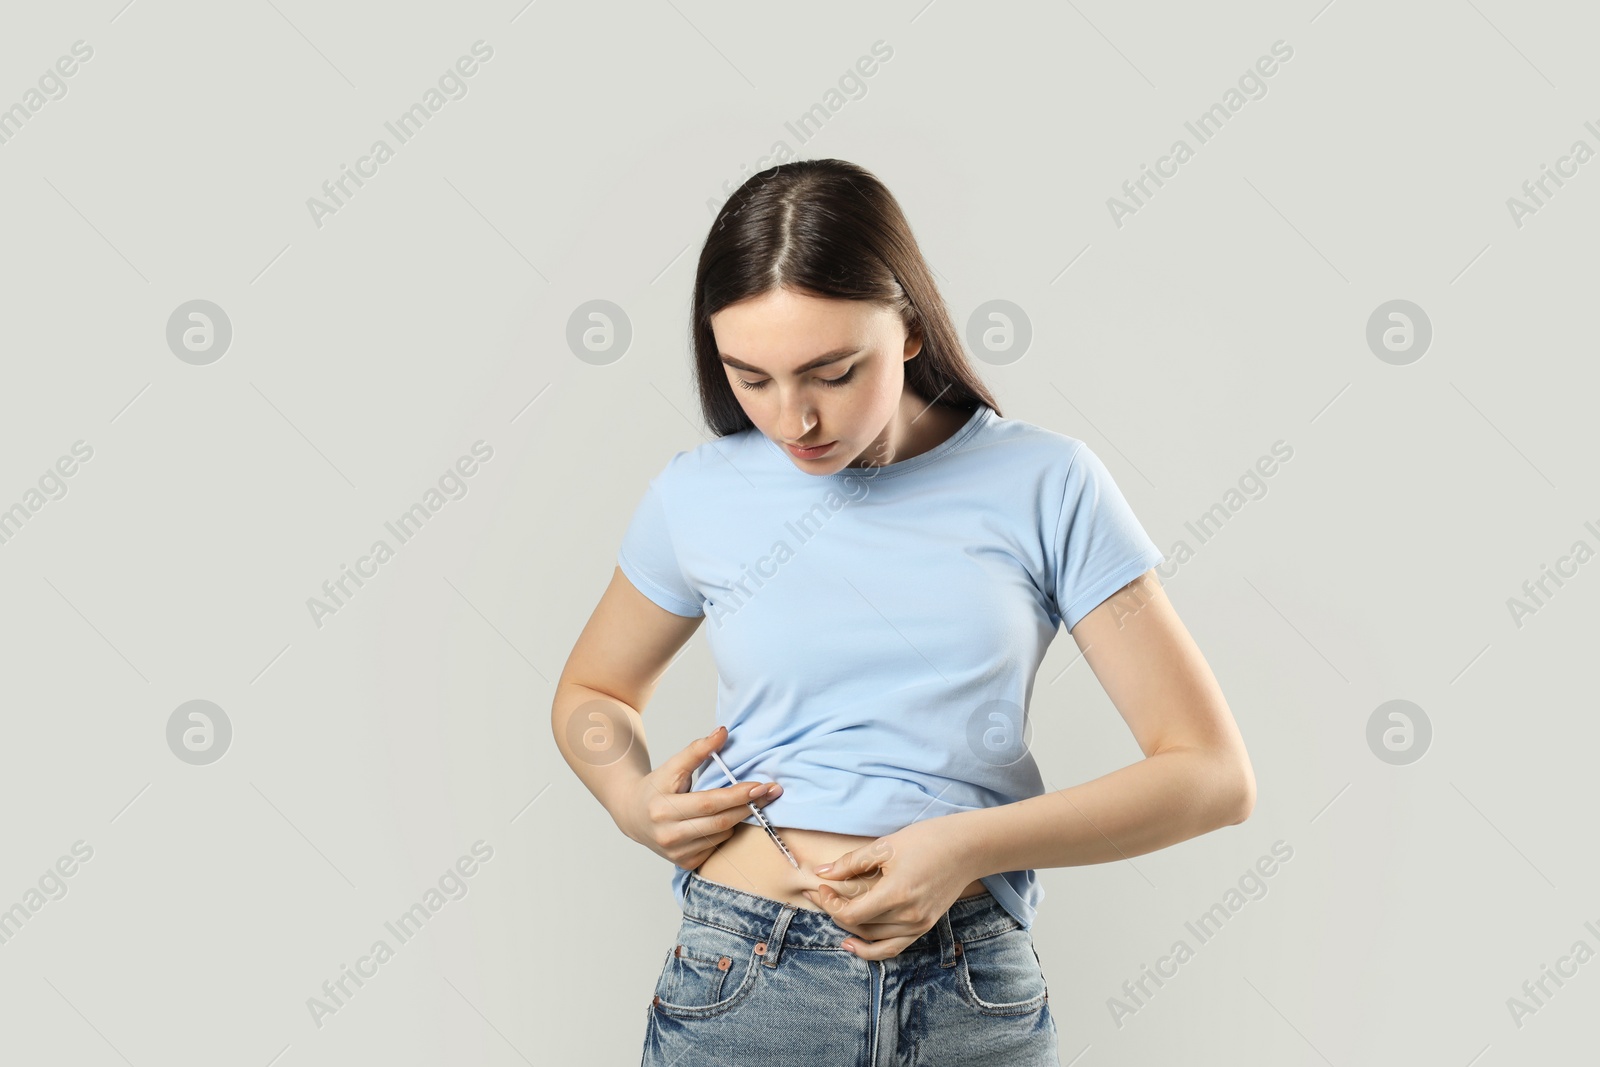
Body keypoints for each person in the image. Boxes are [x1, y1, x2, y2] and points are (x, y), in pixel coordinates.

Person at [551, 158, 1255, 1066]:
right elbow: (593, 692)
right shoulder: (698, 494)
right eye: (750, 378)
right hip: (744, 975)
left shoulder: (1046, 482)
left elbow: (1210, 774)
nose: (793, 419)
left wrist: (966, 845)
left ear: (912, 330)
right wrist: (628, 799)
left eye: (832, 372)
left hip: (968, 988)